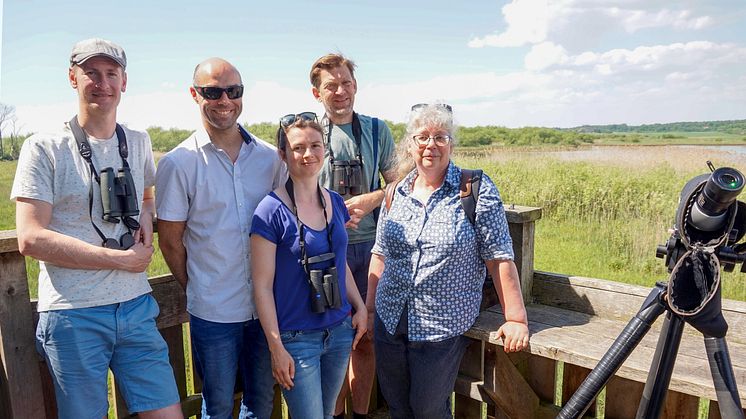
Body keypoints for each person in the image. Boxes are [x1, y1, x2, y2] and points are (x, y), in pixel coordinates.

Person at [12, 38, 182, 418]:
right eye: (91, 73)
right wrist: (118, 259)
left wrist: (147, 221)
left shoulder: (137, 142)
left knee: (168, 413)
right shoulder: (44, 147)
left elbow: (148, 195)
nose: (102, 83)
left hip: (136, 307)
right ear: (73, 79)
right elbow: (30, 237)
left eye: (111, 74)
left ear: (124, 82)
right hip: (74, 314)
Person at [367, 103, 530, 419]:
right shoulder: (395, 192)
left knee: (428, 409)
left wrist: (516, 318)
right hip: (389, 318)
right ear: (410, 145)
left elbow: (499, 256)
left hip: (441, 324)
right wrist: (370, 310)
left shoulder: (474, 189)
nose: (431, 145)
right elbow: (380, 253)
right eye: (423, 137)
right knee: (397, 407)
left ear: (452, 144)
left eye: (441, 137)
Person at [156, 58, 283, 419]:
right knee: (218, 404)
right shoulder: (179, 163)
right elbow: (170, 241)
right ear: (195, 94)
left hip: (265, 309)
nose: (224, 99)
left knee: (261, 400)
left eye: (234, 91)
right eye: (212, 91)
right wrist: (199, 286)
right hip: (213, 311)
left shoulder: (269, 158)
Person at [250, 113, 368, 419]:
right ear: (283, 155)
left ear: (325, 150)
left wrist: (360, 306)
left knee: (327, 415)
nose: (308, 154)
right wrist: (276, 347)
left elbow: (338, 264)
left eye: (315, 145)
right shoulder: (269, 211)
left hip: (339, 330)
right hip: (296, 338)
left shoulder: (335, 202)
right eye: (298, 147)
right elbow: (262, 286)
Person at [309, 53, 397, 419]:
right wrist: (329, 213)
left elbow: (399, 186)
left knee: (367, 338)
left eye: (346, 83)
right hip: (324, 253)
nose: (340, 91)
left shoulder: (379, 131)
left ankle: (359, 414)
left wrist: (370, 198)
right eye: (331, 85)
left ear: (356, 86)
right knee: (331, 341)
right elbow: (291, 190)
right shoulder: (306, 133)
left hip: (372, 249)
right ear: (316, 93)